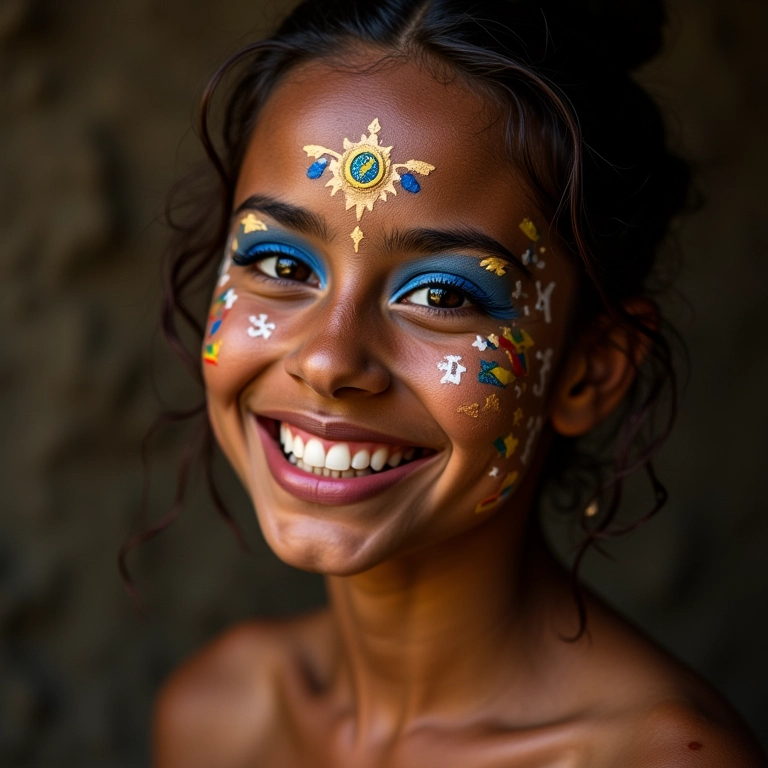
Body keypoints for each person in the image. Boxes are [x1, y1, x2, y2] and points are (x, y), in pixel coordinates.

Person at [135, 0, 765, 764]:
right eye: (281, 265)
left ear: (588, 372)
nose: (330, 360)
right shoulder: (218, 718)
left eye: (442, 296)